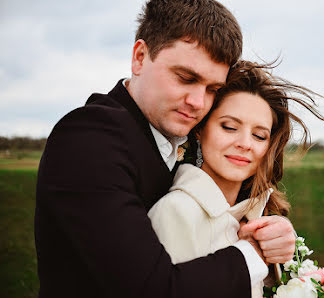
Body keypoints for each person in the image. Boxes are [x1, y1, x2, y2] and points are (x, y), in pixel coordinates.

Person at [34, 1, 296, 298]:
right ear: (140, 57)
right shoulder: (88, 138)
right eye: (186, 78)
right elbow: (150, 289)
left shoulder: (168, 144)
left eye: (213, 89)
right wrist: (252, 254)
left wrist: (275, 236)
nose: (199, 102)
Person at [148, 61, 324, 298]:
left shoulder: (256, 216)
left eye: (259, 136)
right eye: (229, 127)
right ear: (200, 129)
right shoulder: (175, 212)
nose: (245, 144)